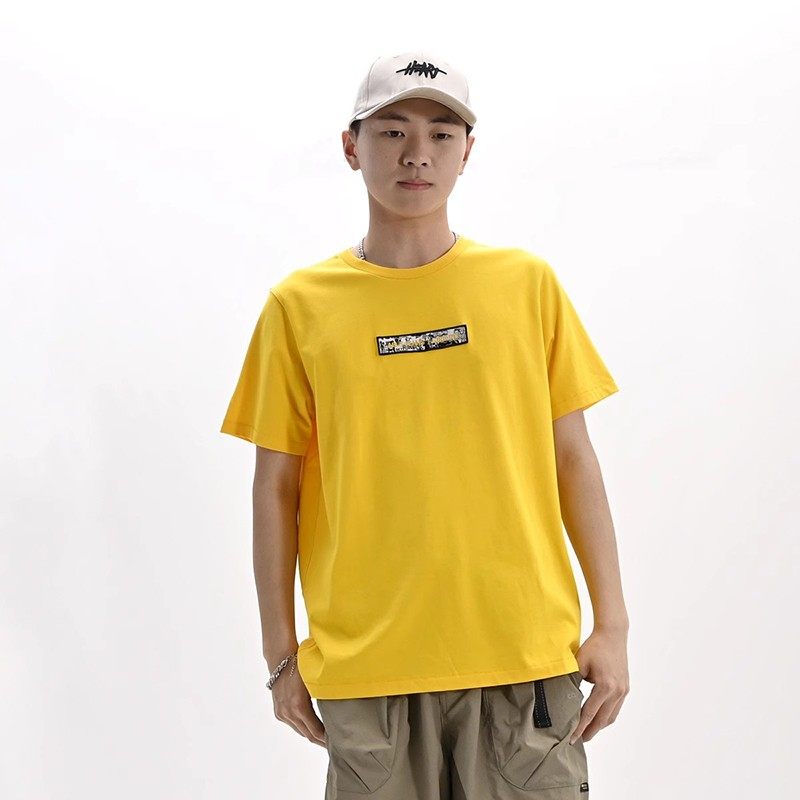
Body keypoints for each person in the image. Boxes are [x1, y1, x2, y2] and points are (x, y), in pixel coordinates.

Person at [220, 50, 629, 799]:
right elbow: (275, 489)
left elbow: (574, 458)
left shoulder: (526, 286)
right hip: (369, 671)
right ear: (352, 147)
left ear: (467, 152)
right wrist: (281, 657)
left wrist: (614, 625)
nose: (418, 153)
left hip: (522, 661)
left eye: (442, 134)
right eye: (392, 132)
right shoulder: (299, 307)